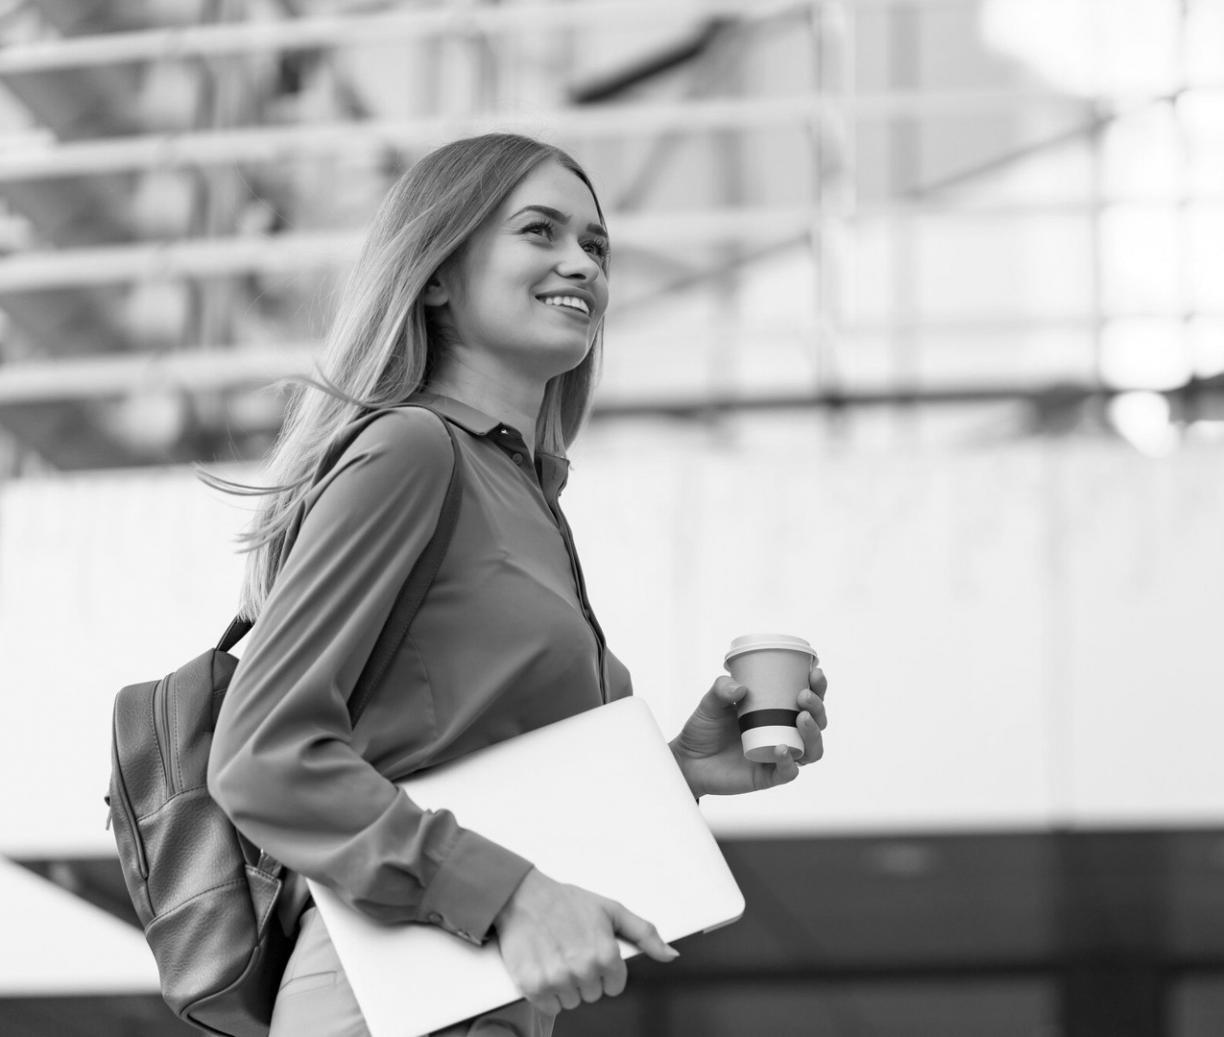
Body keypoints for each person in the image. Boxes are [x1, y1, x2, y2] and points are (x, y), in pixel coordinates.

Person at [203, 133, 829, 1037]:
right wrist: (517, 897)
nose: (581, 262)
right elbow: (261, 755)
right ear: (436, 274)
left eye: (597, 246)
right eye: (540, 232)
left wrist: (679, 774)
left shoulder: (525, 495)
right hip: (384, 997)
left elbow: (471, 768)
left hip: (477, 1000)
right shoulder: (411, 451)